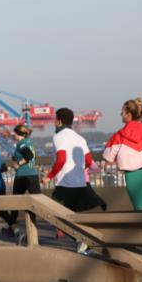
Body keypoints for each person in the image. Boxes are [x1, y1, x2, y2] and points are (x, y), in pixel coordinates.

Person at [43, 107, 107, 254]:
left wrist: (49, 176)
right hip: (80, 183)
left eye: (55, 120)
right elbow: (89, 161)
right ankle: (82, 243)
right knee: (72, 216)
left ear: (58, 121)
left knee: (54, 213)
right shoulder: (80, 138)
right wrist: (100, 169)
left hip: (65, 183)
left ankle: (81, 240)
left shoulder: (58, 137)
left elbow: (61, 160)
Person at [0, 123, 40, 245]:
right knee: (38, 204)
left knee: (16, 204)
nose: (13, 135)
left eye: (15, 134)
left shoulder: (21, 143)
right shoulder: (29, 142)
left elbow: (29, 155)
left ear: (19, 134)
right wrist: (15, 158)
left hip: (22, 176)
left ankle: (13, 229)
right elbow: (28, 154)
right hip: (33, 175)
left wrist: (18, 164)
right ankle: (34, 231)